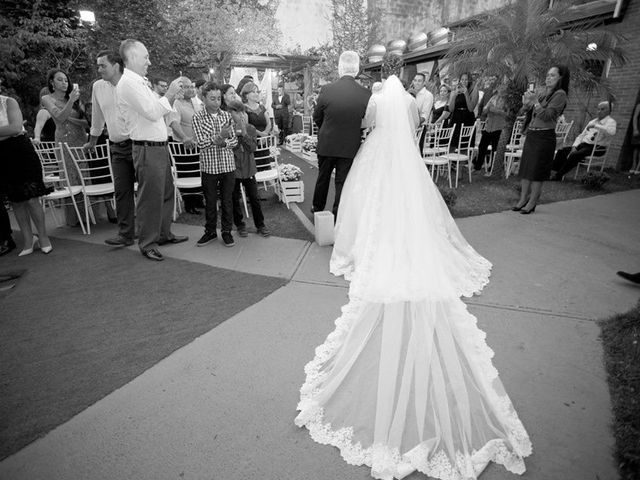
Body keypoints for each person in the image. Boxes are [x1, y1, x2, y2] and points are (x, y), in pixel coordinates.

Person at [295, 75, 532, 480]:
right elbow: (417, 126)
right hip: (405, 156)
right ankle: (402, 238)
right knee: (407, 199)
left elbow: (367, 125)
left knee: (366, 198)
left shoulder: (377, 102)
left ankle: (371, 242)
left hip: (378, 154)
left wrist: (372, 129)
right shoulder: (409, 102)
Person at [117, 39, 188, 261]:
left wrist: (170, 98)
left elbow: (156, 111)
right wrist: (169, 94)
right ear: (132, 57)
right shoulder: (128, 83)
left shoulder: (140, 82)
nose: (149, 61)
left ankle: (164, 233)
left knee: (166, 193)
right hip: (147, 148)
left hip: (158, 146)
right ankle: (147, 243)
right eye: (145, 56)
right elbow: (151, 112)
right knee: (149, 198)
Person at [83, 50, 137, 247]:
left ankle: (154, 232)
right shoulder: (98, 87)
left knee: (148, 191)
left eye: (102, 65)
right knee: (122, 191)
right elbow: (97, 119)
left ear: (116, 66)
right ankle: (126, 235)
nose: (99, 69)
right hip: (117, 147)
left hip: (139, 145)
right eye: (97, 65)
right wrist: (92, 141)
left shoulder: (133, 83)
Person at [311, 51, 371, 217]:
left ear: (340, 68)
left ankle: (317, 208)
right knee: (342, 182)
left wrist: (327, 129)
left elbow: (317, 116)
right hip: (349, 145)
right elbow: (366, 121)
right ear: (357, 69)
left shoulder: (327, 89)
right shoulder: (366, 94)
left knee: (323, 177)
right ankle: (339, 213)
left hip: (327, 142)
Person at [0, 95, 53, 256]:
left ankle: (44, 238)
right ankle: (29, 240)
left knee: (31, 198)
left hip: (20, 151)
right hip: (2, 156)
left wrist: (8, 131)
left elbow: (16, 128)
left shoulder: (8, 102)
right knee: (16, 200)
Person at [514, 65, 569, 214]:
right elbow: (525, 112)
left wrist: (535, 102)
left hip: (544, 137)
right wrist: (526, 105)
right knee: (526, 169)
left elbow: (547, 115)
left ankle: (532, 202)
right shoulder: (543, 92)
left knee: (537, 171)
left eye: (552, 75)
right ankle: (523, 199)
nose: (548, 78)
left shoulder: (560, 94)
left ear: (560, 78)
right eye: (547, 75)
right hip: (532, 134)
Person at [191, 82, 238, 248]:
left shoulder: (226, 116)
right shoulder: (197, 117)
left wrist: (223, 142)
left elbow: (234, 140)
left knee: (227, 201)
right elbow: (201, 143)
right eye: (212, 98)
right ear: (203, 98)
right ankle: (210, 231)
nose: (216, 102)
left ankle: (227, 232)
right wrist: (219, 138)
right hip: (209, 167)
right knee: (210, 201)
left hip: (227, 165)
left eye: (218, 98)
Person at [41, 69, 89, 227]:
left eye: (66, 80)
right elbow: (60, 118)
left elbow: (86, 122)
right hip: (64, 141)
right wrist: (70, 104)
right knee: (70, 177)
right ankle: (74, 220)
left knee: (84, 175)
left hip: (81, 140)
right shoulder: (47, 98)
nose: (64, 83)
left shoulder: (75, 98)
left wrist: (71, 115)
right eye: (60, 80)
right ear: (52, 82)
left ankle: (89, 216)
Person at [226, 99, 270, 238]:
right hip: (233, 169)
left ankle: (260, 225)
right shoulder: (226, 129)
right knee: (234, 199)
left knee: (254, 198)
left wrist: (244, 133)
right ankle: (240, 225)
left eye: (242, 112)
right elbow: (227, 148)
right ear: (229, 113)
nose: (240, 115)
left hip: (249, 169)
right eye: (236, 112)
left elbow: (252, 148)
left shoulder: (250, 128)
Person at [550, 101, 616, 180]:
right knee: (562, 151)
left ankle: (558, 176)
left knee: (575, 155)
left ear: (609, 111)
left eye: (602, 109)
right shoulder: (592, 121)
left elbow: (611, 132)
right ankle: (554, 171)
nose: (599, 111)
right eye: (598, 109)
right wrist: (574, 146)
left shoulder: (611, 122)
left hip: (598, 148)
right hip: (584, 145)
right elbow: (581, 135)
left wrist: (596, 126)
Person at [173, 76, 204, 214]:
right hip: (183, 146)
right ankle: (189, 204)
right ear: (180, 89)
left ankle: (198, 200)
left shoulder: (195, 102)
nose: (191, 89)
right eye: (187, 87)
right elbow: (174, 123)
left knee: (197, 171)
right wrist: (185, 138)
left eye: (192, 86)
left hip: (197, 145)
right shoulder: (176, 103)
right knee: (187, 173)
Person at [473, 81, 509, 172]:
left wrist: (496, 111)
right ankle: (477, 166)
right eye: (499, 87)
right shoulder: (493, 97)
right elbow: (485, 109)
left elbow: (508, 115)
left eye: (503, 88)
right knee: (482, 146)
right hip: (489, 126)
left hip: (499, 127)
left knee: (495, 149)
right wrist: (486, 109)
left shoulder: (507, 100)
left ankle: (492, 168)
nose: (500, 89)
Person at [240, 81, 272, 167]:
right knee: (256, 165)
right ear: (246, 95)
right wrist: (261, 134)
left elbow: (269, 123)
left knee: (266, 163)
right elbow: (246, 126)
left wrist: (265, 134)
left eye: (257, 92)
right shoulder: (244, 109)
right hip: (253, 142)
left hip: (265, 140)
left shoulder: (261, 107)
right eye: (253, 92)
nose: (256, 94)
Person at [448, 72, 478, 148]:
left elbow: (471, 109)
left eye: (466, 79)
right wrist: (454, 95)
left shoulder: (474, 90)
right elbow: (451, 109)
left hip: (467, 120)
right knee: (451, 146)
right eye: (462, 79)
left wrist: (466, 94)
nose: (464, 81)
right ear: (459, 80)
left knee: (464, 146)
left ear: (469, 81)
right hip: (455, 119)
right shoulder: (454, 91)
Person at [629, 102, 640, 174]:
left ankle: (639, 166)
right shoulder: (639, 105)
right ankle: (634, 164)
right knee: (636, 147)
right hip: (639, 128)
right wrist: (635, 129)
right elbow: (635, 117)